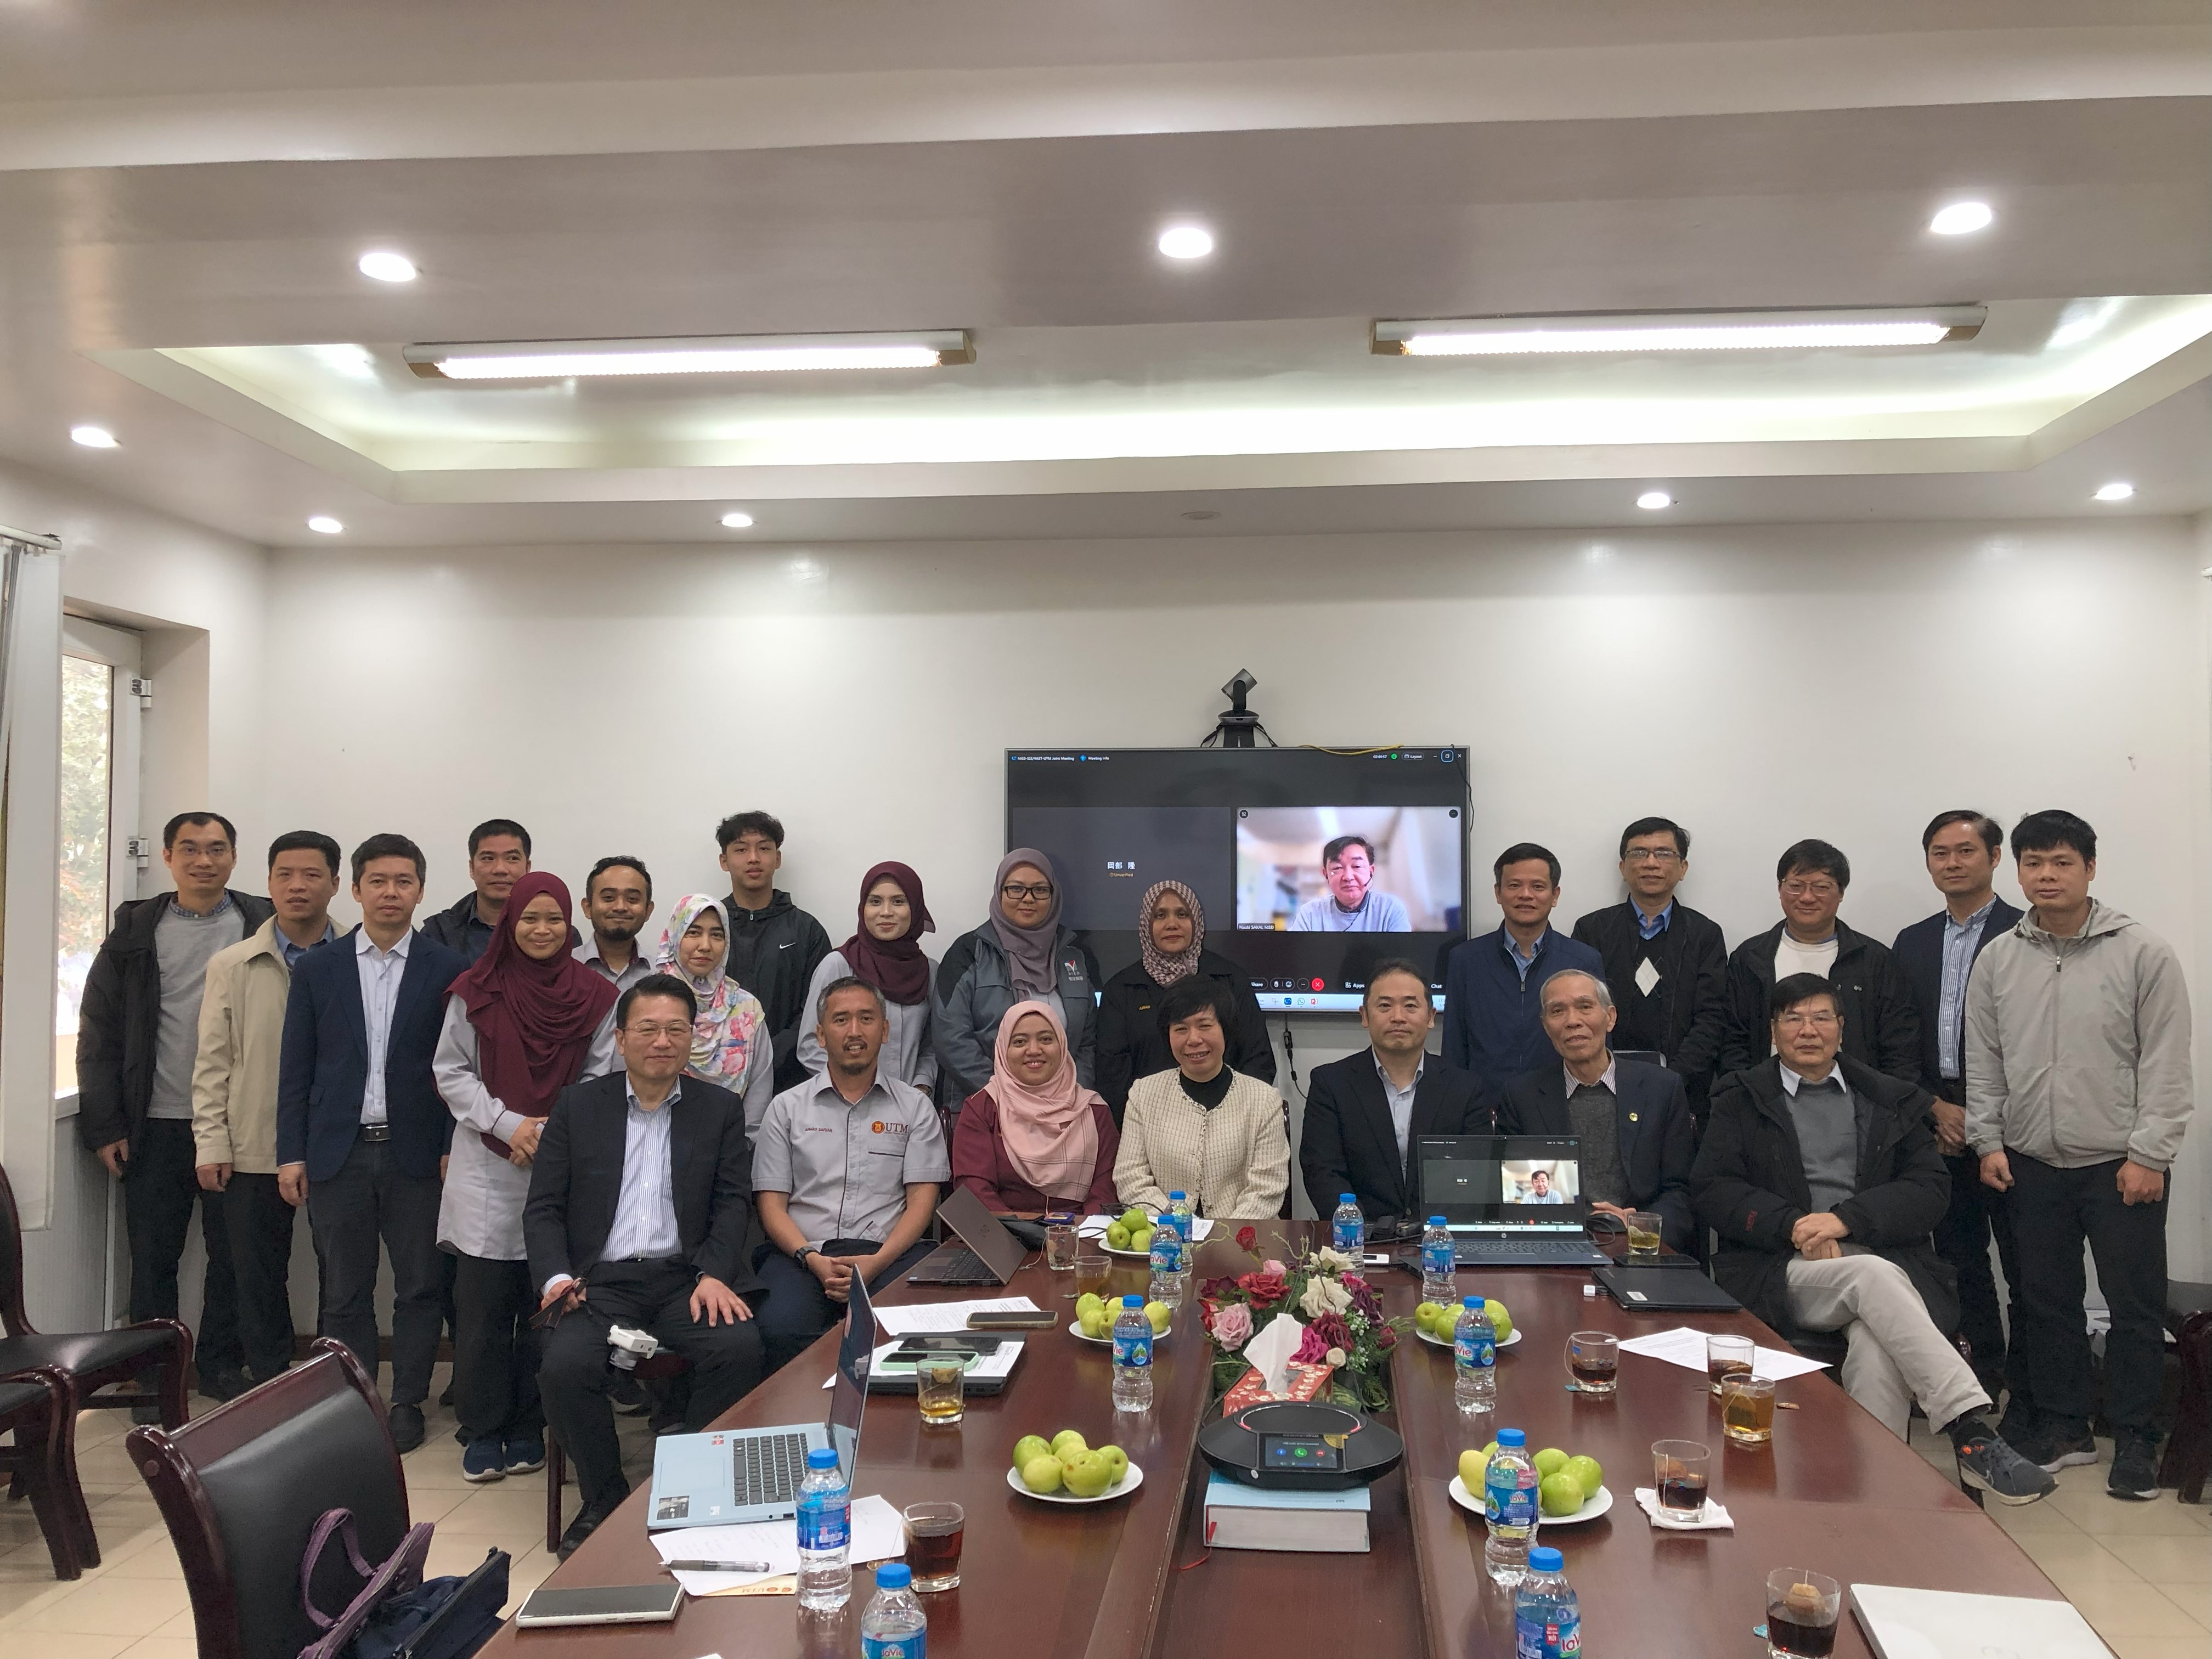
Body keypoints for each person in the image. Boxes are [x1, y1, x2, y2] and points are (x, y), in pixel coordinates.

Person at [1692, 974, 2052, 1504]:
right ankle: (1969, 1426)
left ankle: (1875, 1505)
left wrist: (1846, 1222)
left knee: (1876, 1342)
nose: (1808, 1030)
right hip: (1782, 1269)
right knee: (1872, 1276)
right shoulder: (1741, 1099)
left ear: (1842, 1028)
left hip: (1879, 1264)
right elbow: (1714, 1189)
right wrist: (1793, 1225)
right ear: (1773, 1030)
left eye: (1821, 1018)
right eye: (1793, 1019)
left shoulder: (1888, 1099)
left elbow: (1930, 1190)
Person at [1966, 810, 2194, 1500]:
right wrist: (1988, 1140)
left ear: (2090, 869)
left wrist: (2150, 1152)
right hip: (2031, 1159)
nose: (2047, 876)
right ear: (2017, 870)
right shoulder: (1999, 957)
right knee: (2047, 1303)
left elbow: (2166, 1063)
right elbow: (1986, 1061)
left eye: (2062, 862)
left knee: (2134, 1307)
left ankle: (2136, 1437)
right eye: (2034, 863)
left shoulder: (2142, 952)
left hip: (2121, 1161)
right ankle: (2067, 1428)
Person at [524, 974, 769, 1556]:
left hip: (686, 1279)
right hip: (599, 1283)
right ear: (620, 1037)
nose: (662, 1041)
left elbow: (732, 1202)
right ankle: (605, 1499)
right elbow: (544, 1207)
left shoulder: (718, 1108)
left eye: (676, 1030)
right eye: (648, 1029)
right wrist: (557, 1279)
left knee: (740, 1348)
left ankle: (692, 1487)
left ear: (691, 1038)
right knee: (563, 1367)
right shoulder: (578, 1106)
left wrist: (715, 1273)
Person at [77, 811, 273, 1413]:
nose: (203, 860)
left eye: (216, 849)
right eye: (189, 849)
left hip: (238, 1122)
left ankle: (220, 1364)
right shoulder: (136, 931)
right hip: (155, 1119)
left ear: (234, 856)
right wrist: (106, 1124)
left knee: (233, 1255)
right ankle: (153, 1376)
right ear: (167, 857)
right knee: (153, 1256)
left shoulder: (263, 923)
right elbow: (99, 1029)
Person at [276, 834, 465, 1453]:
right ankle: (354, 1405)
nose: (391, 893)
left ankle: (406, 1402)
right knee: (344, 1290)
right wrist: (291, 1152)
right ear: (355, 889)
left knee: (420, 1286)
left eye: (404, 881)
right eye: (378, 881)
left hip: (418, 1154)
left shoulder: (446, 969)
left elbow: (457, 1069)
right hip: (339, 1153)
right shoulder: (319, 969)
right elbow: (296, 1068)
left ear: (420, 890)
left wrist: (450, 1144)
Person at [435, 873, 619, 1483]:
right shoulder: (475, 989)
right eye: (529, 919)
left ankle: (529, 1426)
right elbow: (451, 1071)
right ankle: (483, 1429)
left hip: (560, 1164)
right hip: (487, 1166)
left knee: (546, 1306)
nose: (542, 930)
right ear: (509, 923)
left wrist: (547, 1133)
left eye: (554, 919)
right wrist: (510, 1125)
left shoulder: (595, 995)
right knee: (484, 1311)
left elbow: (600, 1077)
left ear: (571, 925)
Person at [191, 830, 340, 1393]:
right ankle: (269, 1384)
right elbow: (212, 1062)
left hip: (334, 1143)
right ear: (270, 882)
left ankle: (332, 1381)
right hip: (252, 1140)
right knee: (255, 1275)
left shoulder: (358, 958)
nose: (297, 886)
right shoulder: (233, 964)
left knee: (340, 1271)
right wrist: (212, 1142)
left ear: (335, 884)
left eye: (311, 875)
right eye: (285, 875)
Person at [752, 978, 950, 1374]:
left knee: (909, 1326)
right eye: (841, 1020)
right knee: (779, 1326)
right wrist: (812, 1259)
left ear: (885, 1030)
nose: (855, 1031)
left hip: (888, 1255)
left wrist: (876, 1262)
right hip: (803, 1256)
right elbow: (771, 1205)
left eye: (867, 1018)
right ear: (821, 1035)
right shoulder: (786, 1108)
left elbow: (922, 1204)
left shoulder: (915, 1108)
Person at [1892, 811, 2024, 1400]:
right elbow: (1899, 1038)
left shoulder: (2027, 932)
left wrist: (1986, 1116)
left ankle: (2032, 1387)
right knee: (1957, 1257)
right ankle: (1980, 1374)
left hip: (2013, 1121)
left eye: (1965, 851)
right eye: (1940, 853)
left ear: (1995, 858)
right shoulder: (1913, 941)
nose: (1952, 863)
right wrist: (1934, 1108)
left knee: (2026, 1262)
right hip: (1937, 1119)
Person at [1498, 969, 1697, 1251]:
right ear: (1545, 1026)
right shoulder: (1522, 1097)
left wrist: (1639, 1226)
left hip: (1641, 1245)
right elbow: (1515, 1194)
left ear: (1610, 1018)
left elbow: (1681, 1191)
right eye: (1558, 1011)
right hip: (1556, 1246)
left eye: (1585, 1006)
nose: (1572, 1021)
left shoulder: (1662, 1088)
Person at [1297, 959, 1489, 1221]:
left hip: (1439, 1234)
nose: (1398, 1017)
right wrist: (1360, 1230)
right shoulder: (1331, 1084)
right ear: (1365, 1016)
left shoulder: (1466, 1088)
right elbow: (1322, 1172)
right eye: (1385, 1006)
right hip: (1360, 1234)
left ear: (1431, 1017)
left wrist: (1436, 1232)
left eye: (1410, 1006)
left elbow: (1475, 1174)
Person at [1570, 816, 1729, 1125]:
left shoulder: (1705, 935)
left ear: (1683, 868)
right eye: (1639, 853)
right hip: (1601, 1087)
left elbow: (1712, 1017)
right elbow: (1581, 1010)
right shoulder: (1592, 930)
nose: (1651, 863)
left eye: (1664, 853)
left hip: (1684, 1092)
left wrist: (1673, 1080)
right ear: (1623, 867)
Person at [1718, 839, 1920, 1081]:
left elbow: (1900, 1047)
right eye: (1795, 886)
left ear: (1841, 892)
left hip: (1857, 1098)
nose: (1807, 897)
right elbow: (1733, 1042)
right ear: (1780, 889)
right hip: (1768, 1097)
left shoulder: (1874, 961)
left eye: (1821, 887)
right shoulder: (1750, 958)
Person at [1096, 879, 1274, 1123]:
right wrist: (1149, 1124)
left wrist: (1230, 1119)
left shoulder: (1229, 980)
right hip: (1150, 1125)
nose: (1172, 924)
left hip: (1228, 1122)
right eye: (1160, 915)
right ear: (1147, 924)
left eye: (1182, 914)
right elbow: (1112, 1078)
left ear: (1196, 921)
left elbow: (1258, 1060)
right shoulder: (1122, 989)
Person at [934, 849, 1101, 1105]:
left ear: (1054, 895)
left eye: (1040, 890)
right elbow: (951, 1039)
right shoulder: (968, 953)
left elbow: (1087, 1042)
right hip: (988, 1107)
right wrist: (1009, 1096)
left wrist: (1071, 1095)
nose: (1028, 898)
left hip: (1064, 1109)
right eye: (1016, 889)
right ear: (1000, 892)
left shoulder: (1075, 954)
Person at [1115, 977, 1290, 1219]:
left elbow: (1267, 1188)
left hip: (1244, 1237)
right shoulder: (1143, 1094)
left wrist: (1225, 1235)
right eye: (1181, 1029)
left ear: (1226, 1030)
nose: (1193, 1039)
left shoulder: (1264, 1099)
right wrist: (1180, 1225)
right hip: (1166, 1235)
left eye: (1205, 1026)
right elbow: (1130, 1179)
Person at [1442, 844, 1604, 1084]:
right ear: (1498, 893)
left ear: (1555, 895)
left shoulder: (1582, 960)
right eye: (1514, 885)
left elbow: (1598, 1043)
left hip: (1559, 1097)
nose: (1526, 895)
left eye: (1538, 886)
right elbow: (1454, 1045)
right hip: (1484, 1100)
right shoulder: (1465, 959)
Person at [951, 1000, 1120, 1214]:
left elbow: (1105, 1191)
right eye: (1020, 1042)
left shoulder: (1094, 1111)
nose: (1034, 1050)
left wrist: (1082, 1231)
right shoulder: (983, 1108)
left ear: (1063, 1045)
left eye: (1046, 1039)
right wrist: (1015, 1230)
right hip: (1001, 1231)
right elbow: (975, 1190)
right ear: (1003, 1049)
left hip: (1081, 1231)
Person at [797, 861, 938, 1097]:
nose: (886, 912)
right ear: (863, 907)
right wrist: (856, 1089)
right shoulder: (839, 965)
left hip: (910, 1105)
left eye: (898, 901)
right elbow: (810, 1045)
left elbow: (932, 1045)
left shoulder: (929, 971)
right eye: (875, 901)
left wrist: (921, 1087)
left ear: (915, 908)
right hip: (846, 1104)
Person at [716, 811, 833, 1093]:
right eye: (741, 850)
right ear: (724, 861)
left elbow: (819, 1008)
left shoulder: (807, 930)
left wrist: (771, 1054)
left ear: (777, 859)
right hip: (715, 1075)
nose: (753, 858)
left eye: (764, 848)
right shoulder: (709, 927)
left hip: (791, 1078)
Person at [654, 895, 775, 1132]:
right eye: (693, 932)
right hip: (654, 1135)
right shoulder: (649, 1000)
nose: (705, 946)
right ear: (676, 935)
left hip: (731, 1139)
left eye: (717, 935)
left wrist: (743, 1140)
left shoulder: (746, 1008)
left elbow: (760, 1086)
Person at [421, 819, 532, 966]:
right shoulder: (438, 933)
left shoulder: (554, 932)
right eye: (488, 858)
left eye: (512, 858)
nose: (500, 869)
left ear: (528, 868)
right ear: (472, 868)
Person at [1288, 834, 1412, 932]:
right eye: (1337, 868)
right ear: (1326, 875)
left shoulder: (1390, 909)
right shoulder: (1310, 913)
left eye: (1357, 866)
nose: (1348, 877)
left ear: (1371, 871)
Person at [576, 855, 658, 992]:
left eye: (632, 899)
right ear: (588, 907)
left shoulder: (660, 973)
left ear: (648, 911)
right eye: (609, 898)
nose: (620, 907)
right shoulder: (562, 969)